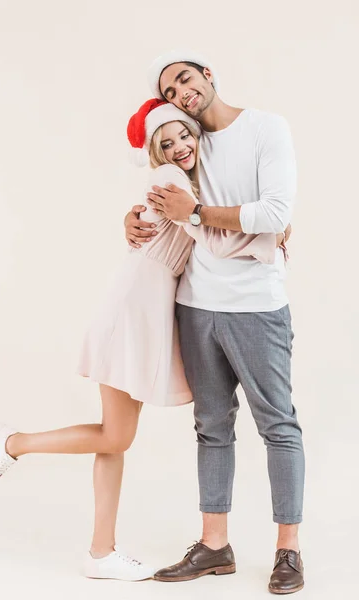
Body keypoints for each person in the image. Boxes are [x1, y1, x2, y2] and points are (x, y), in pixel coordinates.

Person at [0, 99, 283, 582]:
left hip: (147, 304)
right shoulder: (176, 183)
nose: (181, 146)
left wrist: (268, 224)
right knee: (116, 434)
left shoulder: (196, 183)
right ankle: (14, 443)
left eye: (185, 135)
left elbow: (184, 225)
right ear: (156, 153)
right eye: (167, 143)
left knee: (114, 435)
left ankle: (101, 552)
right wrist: (272, 234)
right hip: (134, 306)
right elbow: (216, 240)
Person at [124, 50, 305, 595]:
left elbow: (276, 214)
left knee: (278, 425)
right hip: (196, 305)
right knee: (211, 427)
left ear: (207, 74)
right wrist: (134, 219)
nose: (181, 91)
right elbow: (156, 200)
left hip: (257, 306)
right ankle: (214, 546)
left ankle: (289, 551)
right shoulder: (183, 142)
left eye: (185, 77)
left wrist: (197, 214)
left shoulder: (266, 128)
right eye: (170, 90)